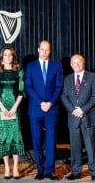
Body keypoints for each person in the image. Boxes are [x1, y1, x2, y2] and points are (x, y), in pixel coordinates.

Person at [24, 40, 63, 180]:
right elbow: (28, 87)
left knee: (51, 140)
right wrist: (41, 102)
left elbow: (59, 86)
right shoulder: (30, 66)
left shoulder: (56, 65)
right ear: (38, 49)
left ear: (50, 51)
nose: (45, 52)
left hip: (51, 109)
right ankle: (40, 170)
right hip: (35, 109)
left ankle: (50, 171)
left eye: (47, 50)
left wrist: (51, 103)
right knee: (36, 140)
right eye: (42, 49)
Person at [61, 54, 95, 181]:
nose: (76, 65)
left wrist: (83, 110)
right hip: (73, 118)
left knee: (91, 147)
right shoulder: (67, 79)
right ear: (71, 65)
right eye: (74, 63)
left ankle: (94, 173)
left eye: (79, 62)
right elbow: (63, 96)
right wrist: (73, 110)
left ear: (83, 63)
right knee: (75, 147)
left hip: (89, 117)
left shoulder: (93, 77)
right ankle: (76, 172)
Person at [0, 47, 26, 180]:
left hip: (15, 108)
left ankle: (16, 167)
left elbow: (21, 91)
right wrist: (3, 108)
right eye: (5, 55)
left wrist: (15, 107)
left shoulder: (19, 71)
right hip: (2, 109)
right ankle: (6, 167)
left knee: (16, 137)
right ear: (2, 57)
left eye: (10, 55)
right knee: (4, 137)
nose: (8, 57)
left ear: (13, 57)